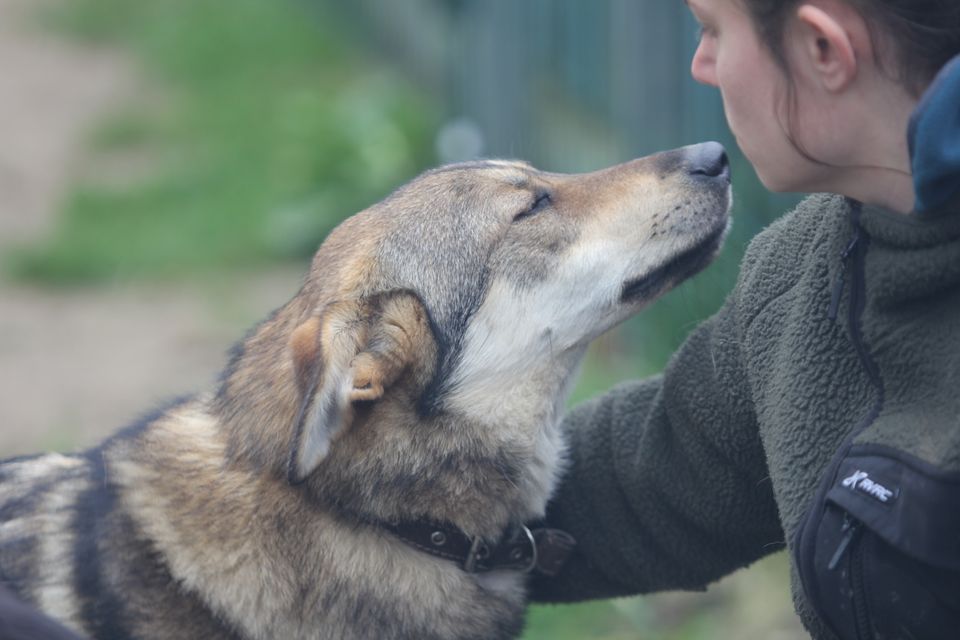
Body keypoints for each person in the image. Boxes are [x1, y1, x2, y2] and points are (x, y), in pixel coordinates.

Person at [530, 1, 960, 638]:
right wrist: (376, 497)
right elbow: (646, 481)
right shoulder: (805, 274)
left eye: (710, 30)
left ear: (822, 50)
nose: (700, 65)